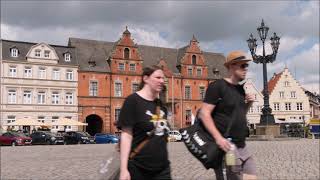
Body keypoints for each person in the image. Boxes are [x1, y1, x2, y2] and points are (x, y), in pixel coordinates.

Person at [199, 50, 257, 180]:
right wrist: (218, 138)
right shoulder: (217, 86)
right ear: (231, 66)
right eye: (242, 66)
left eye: (246, 66)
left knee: (251, 174)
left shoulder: (240, 89)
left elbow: (240, 114)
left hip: (242, 145)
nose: (246, 69)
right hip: (226, 148)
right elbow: (204, 113)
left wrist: (249, 103)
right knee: (230, 177)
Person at [117, 65, 171, 180]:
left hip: (163, 169)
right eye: (158, 77)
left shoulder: (161, 106)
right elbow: (126, 136)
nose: (162, 81)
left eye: (163, 78)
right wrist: (123, 169)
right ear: (146, 79)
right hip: (139, 168)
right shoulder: (132, 101)